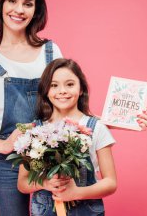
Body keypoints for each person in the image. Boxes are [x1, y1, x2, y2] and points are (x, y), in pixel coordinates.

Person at [0, 0, 147, 216]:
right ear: (1, 3)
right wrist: (2, 146)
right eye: (12, 1)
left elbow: (70, 108)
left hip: (55, 158)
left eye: (28, 4)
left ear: (36, 11)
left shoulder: (49, 50)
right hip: (9, 166)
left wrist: (125, 121)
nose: (19, 9)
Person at [17, 58, 117, 216]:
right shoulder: (35, 130)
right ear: (46, 91)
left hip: (87, 211)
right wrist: (45, 183)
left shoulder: (96, 127)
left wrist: (76, 193)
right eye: (54, 85)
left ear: (81, 89)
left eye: (70, 84)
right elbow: (22, 183)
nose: (62, 91)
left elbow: (111, 183)